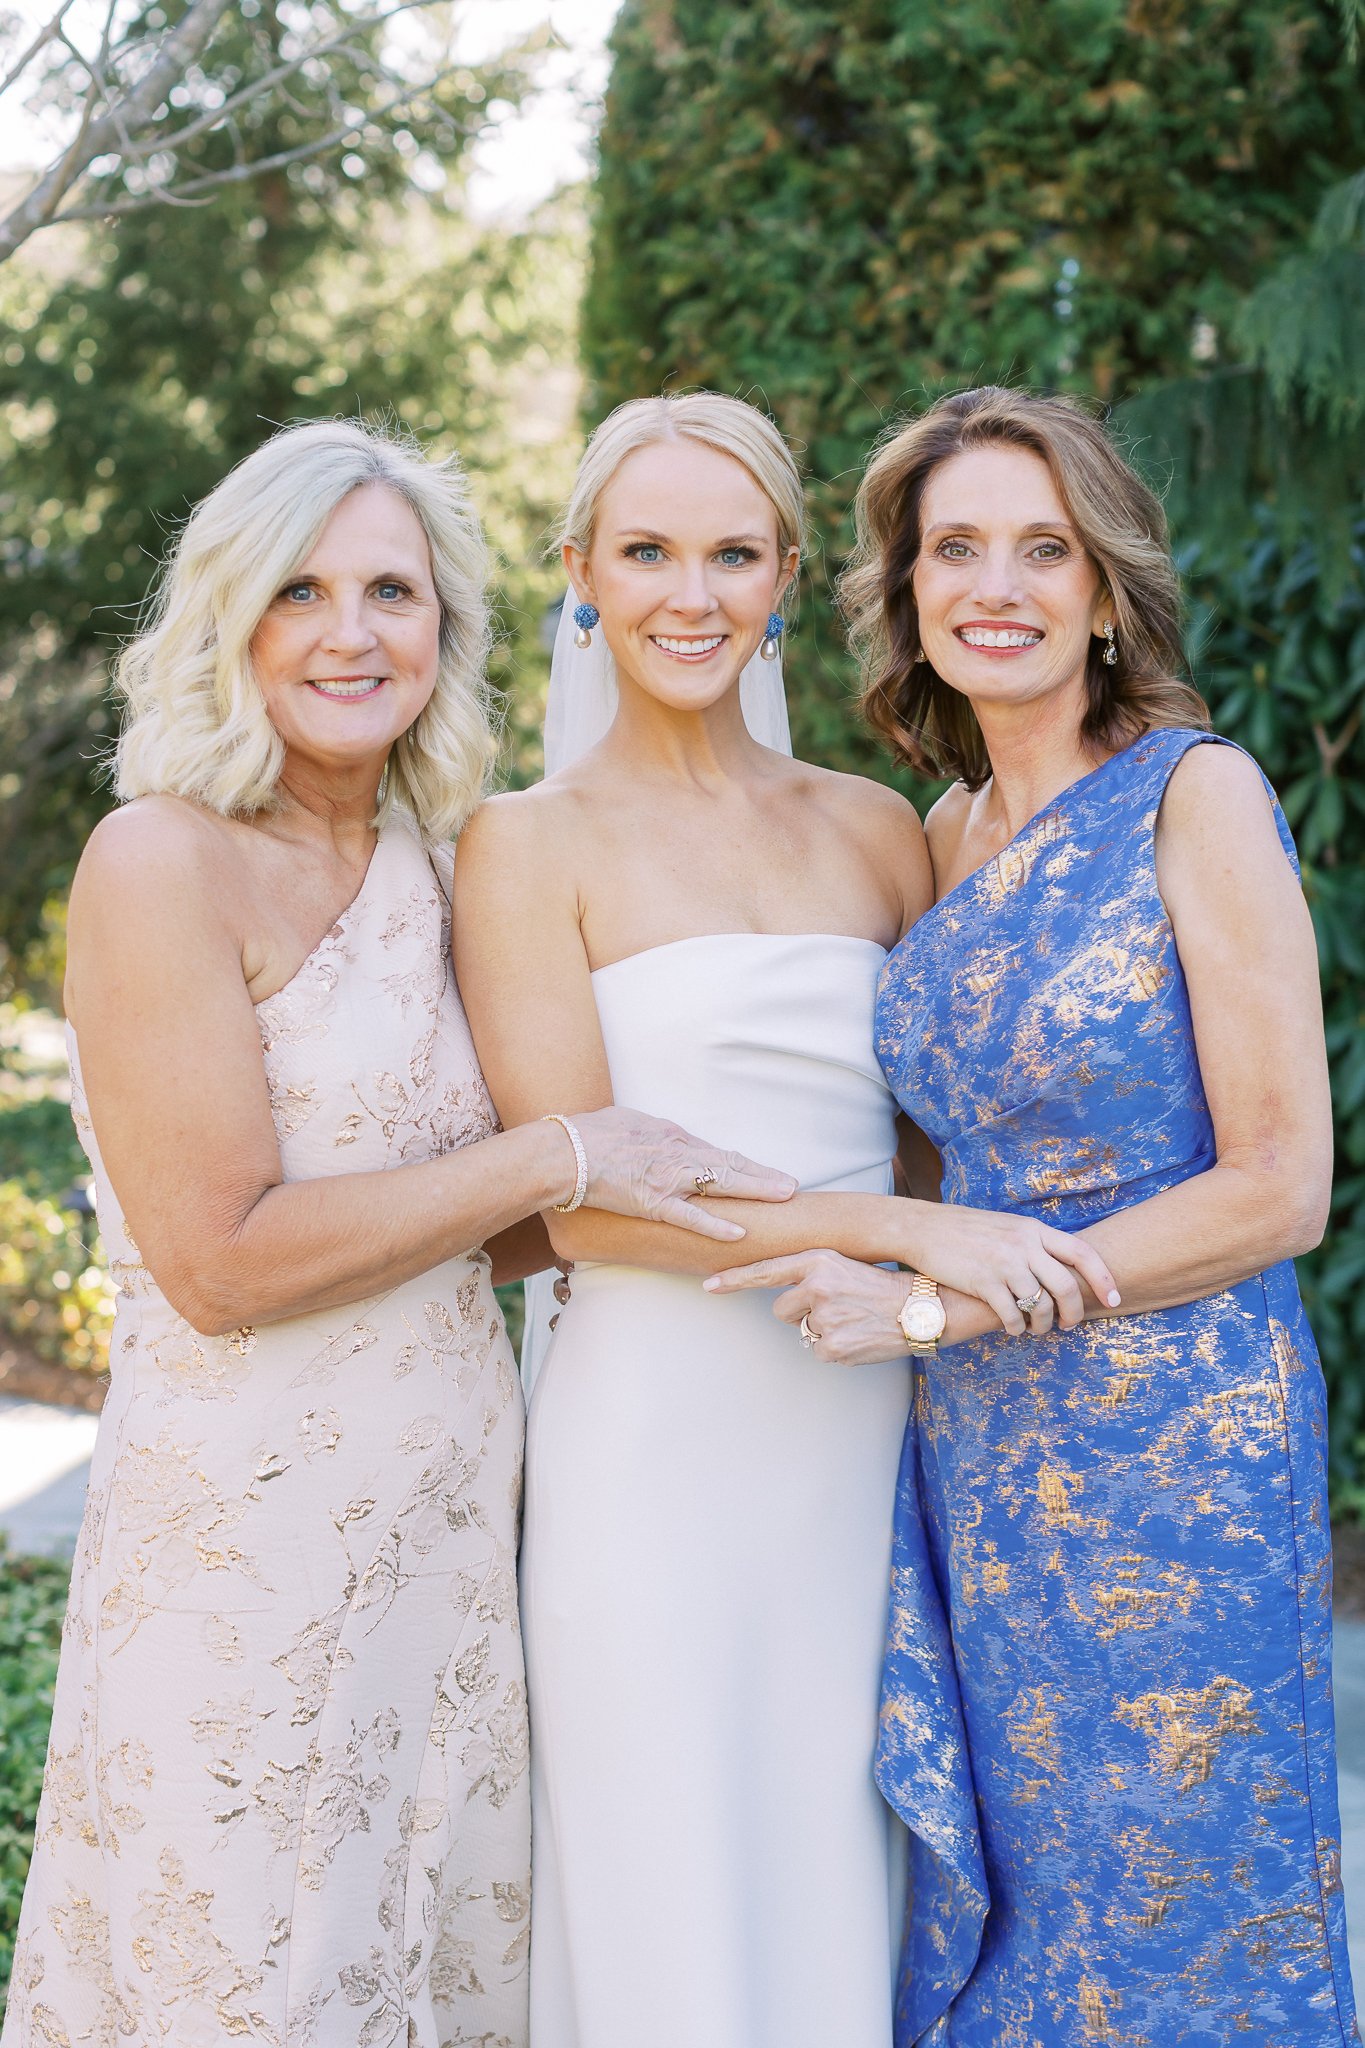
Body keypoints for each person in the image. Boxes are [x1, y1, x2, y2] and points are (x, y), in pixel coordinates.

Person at [1, 418, 796, 2048]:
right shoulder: (162, 860)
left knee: (424, 1965)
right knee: (243, 1980)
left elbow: (492, 1233)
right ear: (230, 617)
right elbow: (222, 1260)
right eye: (301, 590)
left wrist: (775, 1211)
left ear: (447, 629)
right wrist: (561, 1150)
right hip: (241, 1549)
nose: (351, 633)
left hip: (448, 1546)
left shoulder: (446, 869)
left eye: (393, 591)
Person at [452, 391, 1120, 2048]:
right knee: (662, 1867)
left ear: (786, 574)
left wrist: (923, 1257)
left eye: (732, 553)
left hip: (864, 1425)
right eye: (648, 552)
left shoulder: (877, 828)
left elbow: (934, 1153)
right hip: (648, 1438)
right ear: (582, 577)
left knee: (840, 1858)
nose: (692, 594)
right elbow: (587, 1202)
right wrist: (897, 1240)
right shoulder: (523, 846)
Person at [713, 386, 1359, 2044]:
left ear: (1101, 587)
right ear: (908, 589)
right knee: (1027, 1894)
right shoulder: (942, 833)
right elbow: (941, 1159)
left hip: (1179, 1435)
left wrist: (946, 1308)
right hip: (987, 1455)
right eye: (953, 549)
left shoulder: (1189, 794)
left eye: (1039, 548)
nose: (993, 584)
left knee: (1183, 1894)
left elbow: (1279, 1183)